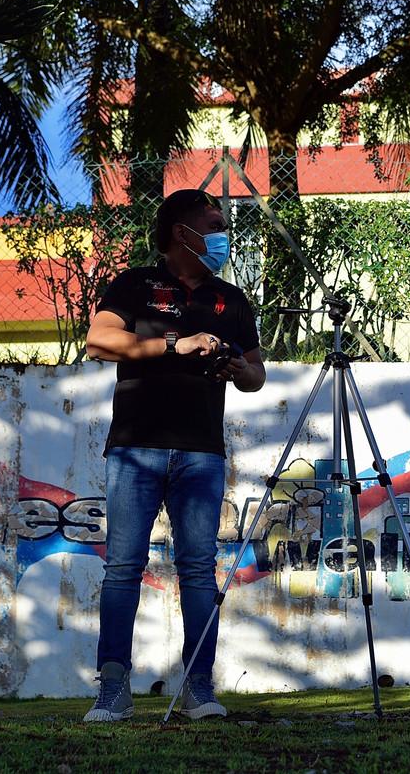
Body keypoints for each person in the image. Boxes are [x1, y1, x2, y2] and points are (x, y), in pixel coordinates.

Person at [82, 188, 266, 723]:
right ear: (181, 232)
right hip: (135, 448)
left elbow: (256, 375)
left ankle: (199, 688)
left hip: (202, 452)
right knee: (123, 567)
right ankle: (113, 690)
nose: (222, 234)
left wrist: (236, 368)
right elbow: (99, 340)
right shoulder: (136, 284)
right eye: (212, 225)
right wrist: (173, 346)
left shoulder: (231, 298)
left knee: (198, 570)